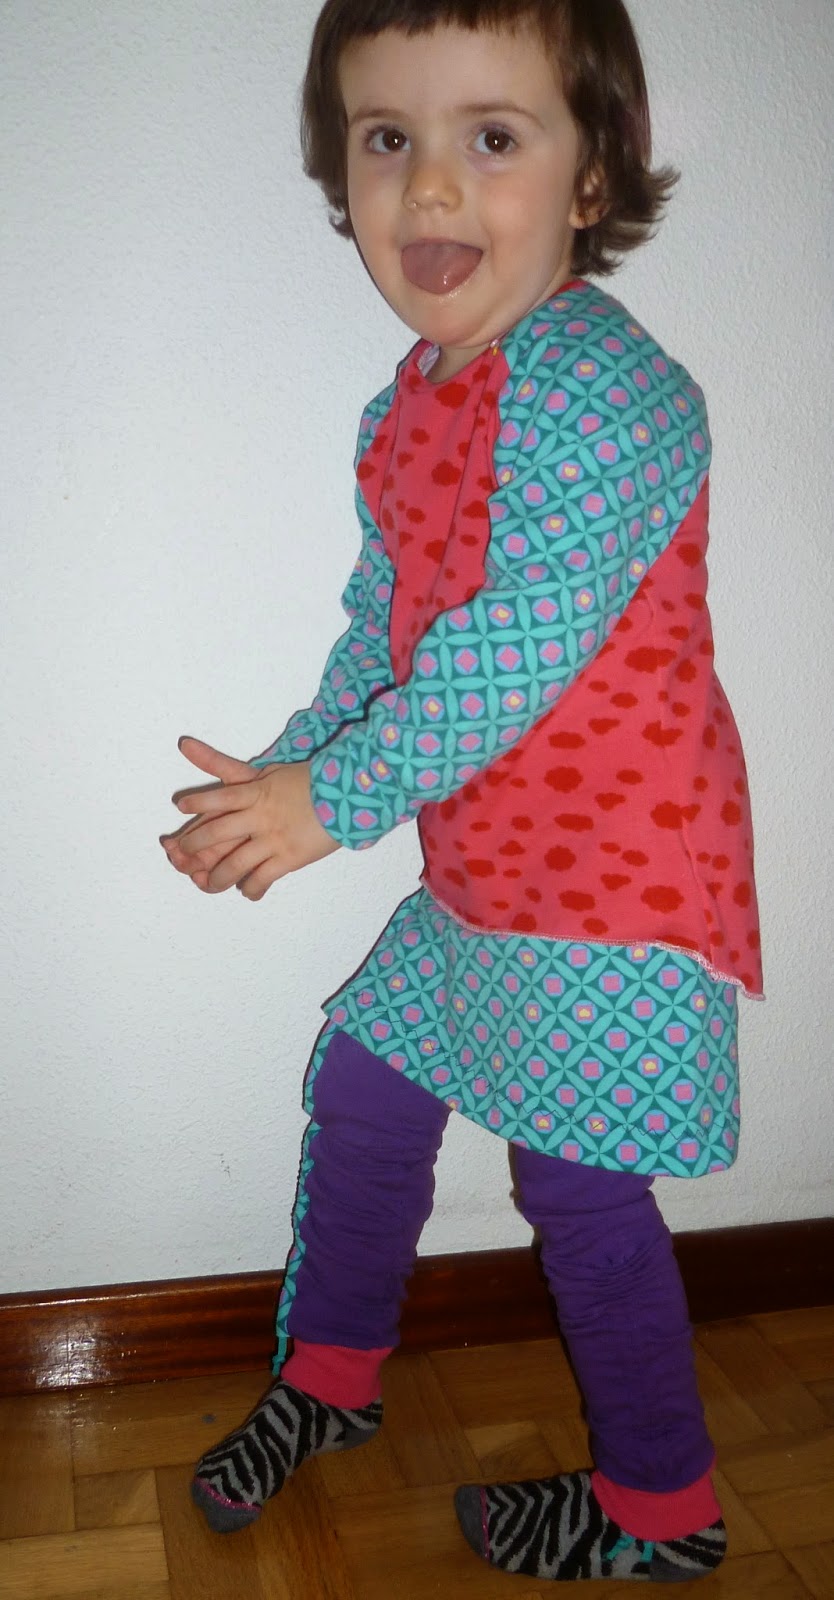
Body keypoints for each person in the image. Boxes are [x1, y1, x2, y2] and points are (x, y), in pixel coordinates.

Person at [161, 0, 762, 1583]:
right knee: (368, 1089)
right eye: (388, 139)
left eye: (489, 137)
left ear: (590, 175)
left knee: (578, 1188)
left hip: (615, 884)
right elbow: (388, 638)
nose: (429, 184)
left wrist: (333, 805)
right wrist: (292, 768)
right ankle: (333, 1379)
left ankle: (665, 1509)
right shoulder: (408, 410)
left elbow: (516, 647)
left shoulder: (606, 388)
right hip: (490, 872)